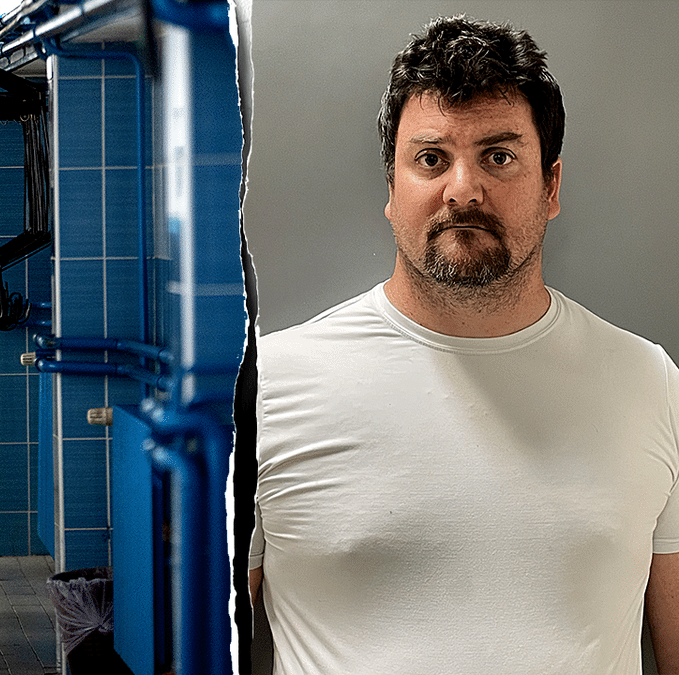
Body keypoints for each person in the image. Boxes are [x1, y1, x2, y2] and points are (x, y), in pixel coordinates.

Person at [249, 16, 679, 674]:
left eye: (499, 156)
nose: (463, 189)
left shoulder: (650, 383)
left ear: (552, 186)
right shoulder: (266, 389)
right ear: (391, 189)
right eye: (430, 159)